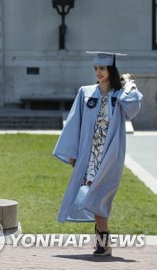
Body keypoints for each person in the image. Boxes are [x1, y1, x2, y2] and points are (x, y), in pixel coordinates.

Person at [53, 51, 143, 257]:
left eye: (102, 68)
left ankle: (103, 241)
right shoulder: (86, 92)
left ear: (111, 70)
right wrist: (73, 153)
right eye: (96, 69)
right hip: (89, 153)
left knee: (100, 195)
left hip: (110, 153)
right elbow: (74, 122)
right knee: (95, 195)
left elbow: (134, 107)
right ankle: (103, 242)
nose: (98, 72)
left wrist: (129, 85)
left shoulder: (119, 96)